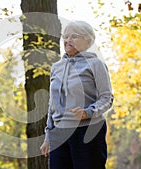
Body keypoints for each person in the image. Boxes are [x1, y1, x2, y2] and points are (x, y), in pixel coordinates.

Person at [40, 21, 114, 169]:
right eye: (65, 37)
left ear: (87, 40)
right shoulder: (56, 67)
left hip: (87, 131)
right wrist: (48, 136)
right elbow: (52, 105)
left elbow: (107, 98)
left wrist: (88, 112)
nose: (68, 40)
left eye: (74, 36)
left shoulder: (95, 64)